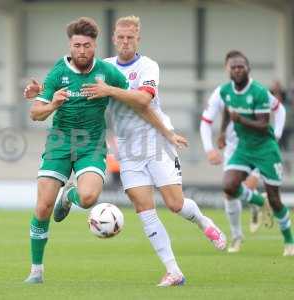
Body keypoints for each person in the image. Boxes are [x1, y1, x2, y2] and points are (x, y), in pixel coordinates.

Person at [25, 16, 227, 287]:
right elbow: (48, 99)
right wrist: (44, 95)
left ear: (136, 39)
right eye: (120, 37)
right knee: (141, 208)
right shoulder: (87, 67)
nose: (124, 42)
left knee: (174, 204)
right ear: (112, 40)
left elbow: (143, 102)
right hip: (111, 148)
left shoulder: (132, 69)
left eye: (130, 37)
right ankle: (173, 271)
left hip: (145, 143)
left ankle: (203, 222)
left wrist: (167, 132)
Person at [200, 54, 286, 253]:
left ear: (247, 68)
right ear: (227, 68)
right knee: (229, 191)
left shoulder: (257, 92)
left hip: (260, 145)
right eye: (232, 66)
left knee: (249, 185)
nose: (236, 70)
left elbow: (278, 109)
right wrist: (212, 145)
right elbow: (211, 120)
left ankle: (261, 205)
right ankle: (238, 235)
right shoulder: (222, 92)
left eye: (240, 66)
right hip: (235, 147)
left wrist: (278, 135)